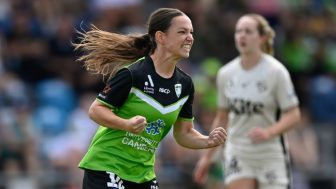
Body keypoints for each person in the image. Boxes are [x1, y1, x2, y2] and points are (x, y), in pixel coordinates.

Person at [72, 7, 227, 189]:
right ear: (161, 37)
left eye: (191, 32)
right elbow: (96, 110)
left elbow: (184, 133)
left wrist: (207, 141)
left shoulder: (185, 85)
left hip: (142, 175)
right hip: (106, 166)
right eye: (182, 32)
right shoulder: (133, 74)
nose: (190, 37)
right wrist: (126, 124)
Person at [193, 13, 301, 189]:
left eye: (248, 31)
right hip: (238, 150)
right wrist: (207, 157)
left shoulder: (276, 72)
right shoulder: (226, 74)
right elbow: (222, 119)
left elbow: (294, 114)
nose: (242, 35)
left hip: (269, 151)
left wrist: (269, 132)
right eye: (238, 31)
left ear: (262, 37)